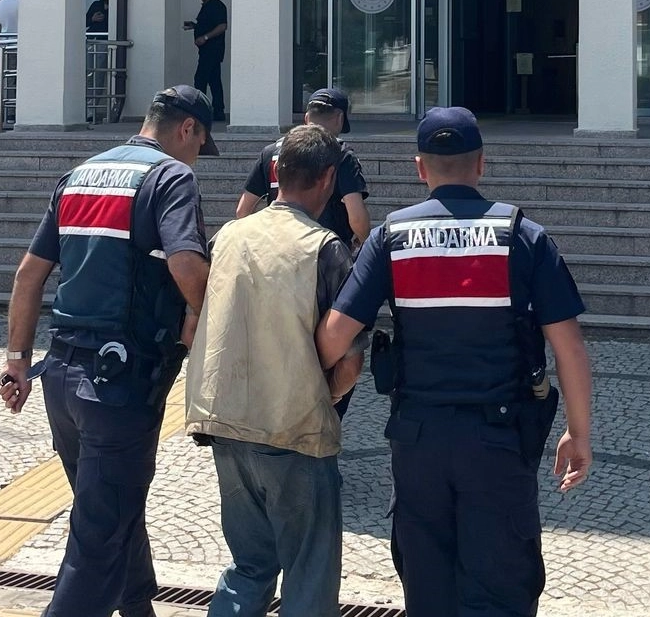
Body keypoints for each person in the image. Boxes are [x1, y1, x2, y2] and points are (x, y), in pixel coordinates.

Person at [315, 106, 594, 617]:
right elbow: (569, 348)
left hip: (417, 441)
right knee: (501, 588)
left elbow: (334, 338)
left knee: (429, 590)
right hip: (499, 442)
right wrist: (578, 432)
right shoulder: (523, 236)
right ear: (481, 164)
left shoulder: (392, 236)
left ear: (420, 168)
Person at [0, 85, 216, 617]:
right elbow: (187, 265)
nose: (196, 156)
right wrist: (213, 326)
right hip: (121, 384)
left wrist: (17, 362)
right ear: (187, 128)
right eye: (199, 144)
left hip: (61, 379)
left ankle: (137, 606)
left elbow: (28, 275)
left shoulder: (80, 174)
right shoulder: (170, 177)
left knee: (111, 510)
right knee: (97, 539)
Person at [185, 124, 366, 617]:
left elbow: (194, 325)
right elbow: (350, 360)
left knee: (249, 565)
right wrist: (320, 395)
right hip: (294, 429)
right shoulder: (325, 248)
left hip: (225, 422)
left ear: (276, 174)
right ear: (328, 179)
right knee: (309, 569)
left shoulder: (228, 237)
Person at [235, 87, 370, 418]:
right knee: (327, 348)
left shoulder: (271, 152)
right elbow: (356, 217)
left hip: (273, 262)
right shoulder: (339, 155)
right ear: (339, 119)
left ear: (307, 117)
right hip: (323, 264)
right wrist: (361, 244)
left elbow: (242, 211)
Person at [184, 0, 228, 121]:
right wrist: (195, 26)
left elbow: (222, 26)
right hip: (206, 51)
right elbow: (208, 24)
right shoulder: (207, 6)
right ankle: (218, 111)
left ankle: (200, 112)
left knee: (200, 79)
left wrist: (205, 37)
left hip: (212, 50)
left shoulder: (217, 6)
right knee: (214, 81)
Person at [85, 0, 110, 123]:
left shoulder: (116, 6)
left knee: (99, 77)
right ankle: (85, 108)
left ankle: (92, 109)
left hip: (104, 42)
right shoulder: (96, 5)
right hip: (92, 41)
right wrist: (92, 18)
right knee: (88, 75)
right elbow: (85, 21)